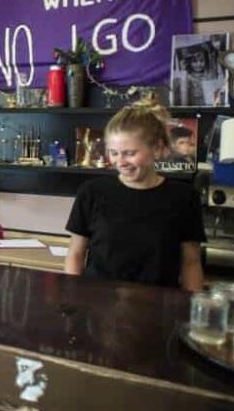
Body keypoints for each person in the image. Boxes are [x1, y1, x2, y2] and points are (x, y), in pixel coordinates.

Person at [64, 103, 204, 291]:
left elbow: (191, 263)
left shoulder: (184, 198)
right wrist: (71, 298)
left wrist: (193, 310)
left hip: (158, 308)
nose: (120, 162)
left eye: (130, 153)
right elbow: (75, 253)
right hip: (98, 305)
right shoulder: (91, 192)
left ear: (157, 148)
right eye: (114, 153)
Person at [171, 39, 226, 106]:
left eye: (201, 61)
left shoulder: (211, 74)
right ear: (189, 62)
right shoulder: (184, 78)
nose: (198, 64)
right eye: (194, 61)